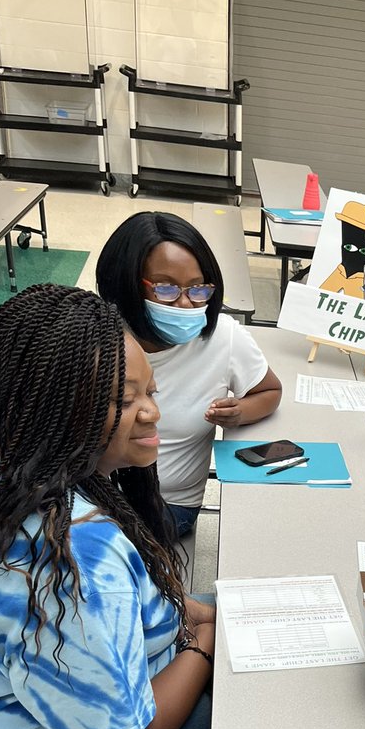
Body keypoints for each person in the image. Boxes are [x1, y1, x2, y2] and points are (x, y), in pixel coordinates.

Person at [0, 285, 214, 729]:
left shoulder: (21, 478)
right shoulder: (79, 561)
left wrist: (191, 614)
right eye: (124, 399)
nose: (153, 412)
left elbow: (129, 603)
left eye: (151, 390)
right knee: (264, 696)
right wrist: (201, 645)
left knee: (246, 616)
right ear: (51, 407)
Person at [96, 212, 282, 536]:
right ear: (125, 282)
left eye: (198, 290)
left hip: (167, 505)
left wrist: (241, 412)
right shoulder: (96, 336)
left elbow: (270, 391)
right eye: (165, 289)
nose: (185, 304)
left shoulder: (223, 338)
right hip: (94, 493)